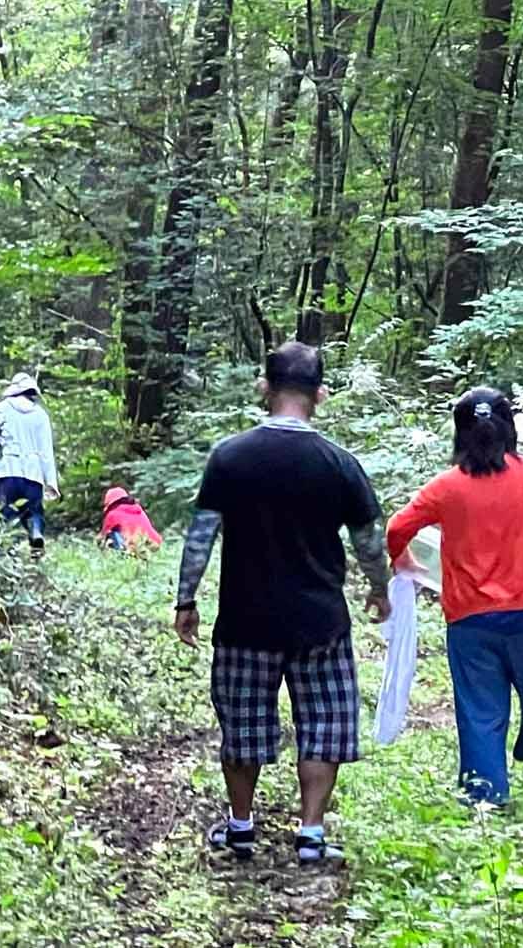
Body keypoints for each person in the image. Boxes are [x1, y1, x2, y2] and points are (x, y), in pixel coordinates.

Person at [173, 342, 392, 866]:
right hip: (320, 623)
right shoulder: (339, 463)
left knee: (243, 724)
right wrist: (379, 588)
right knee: (324, 724)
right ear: (320, 394)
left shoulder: (230, 456)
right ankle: (311, 833)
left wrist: (186, 600)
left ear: (264, 388)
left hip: (245, 618)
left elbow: (201, 535)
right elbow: (369, 541)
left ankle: (241, 827)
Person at [386, 387, 523, 807]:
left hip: (472, 621)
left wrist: (405, 560)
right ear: (510, 428)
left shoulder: (446, 487)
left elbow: (397, 528)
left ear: (460, 434)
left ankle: (486, 797)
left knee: (480, 710)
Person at [0, 372, 60, 558]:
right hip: (33, 475)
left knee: (6, 514)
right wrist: (51, 482)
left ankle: (7, 552)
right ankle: (36, 532)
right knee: (34, 511)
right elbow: (46, 451)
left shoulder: (1, 409)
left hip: (5, 472)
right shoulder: (40, 415)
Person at [99, 486, 163, 551]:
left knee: (111, 534)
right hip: (154, 544)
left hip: (133, 547)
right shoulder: (140, 510)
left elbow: (102, 537)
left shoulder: (112, 515)